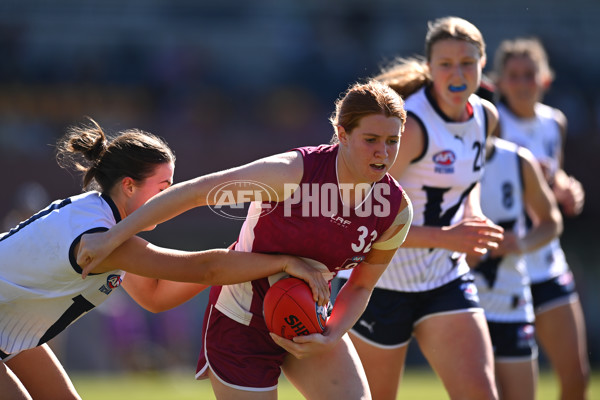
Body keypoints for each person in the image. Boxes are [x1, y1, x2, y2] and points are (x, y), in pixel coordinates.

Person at [76, 80, 413, 399]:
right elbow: (195, 193)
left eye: (392, 141)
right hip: (241, 318)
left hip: (308, 317)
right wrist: (114, 236)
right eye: (371, 139)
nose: (383, 152)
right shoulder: (292, 172)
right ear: (342, 134)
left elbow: (361, 285)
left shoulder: (395, 210)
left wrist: (333, 334)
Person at [0, 118, 330, 400]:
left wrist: (238, 260)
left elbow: (154, 296)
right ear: (128, 186)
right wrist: (281, 261)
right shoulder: (101, 235)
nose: (169, 199)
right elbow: (205, 269)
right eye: (163, 189)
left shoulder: (102, 218)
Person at [335, 16, 505, 400]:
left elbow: (467, 179)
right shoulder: (409, 128)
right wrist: (448, 237)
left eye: (467, 62)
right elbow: (361, 219)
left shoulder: (486, 116)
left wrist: (471, 216)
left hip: (444, 279)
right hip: (379, 284)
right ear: (430, 69)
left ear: (483, 63)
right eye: (445, 64)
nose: (457, 72)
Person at [492, 37, 590, 399]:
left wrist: (567, 187)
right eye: (513, 75)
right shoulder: (493, 123)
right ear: (498, 83)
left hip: (546, 262)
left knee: (577, 376)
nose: (521, 82)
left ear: (545, 79)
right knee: (509, 390)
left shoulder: (554, 123)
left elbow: (553, 177)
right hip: (503, 268)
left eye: (529, 74)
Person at [470, 136, 563, 400]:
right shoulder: (440, 157)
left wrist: (521, 243)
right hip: (464, 304)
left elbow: (551, 221)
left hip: (512, 299)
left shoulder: (517, 159)